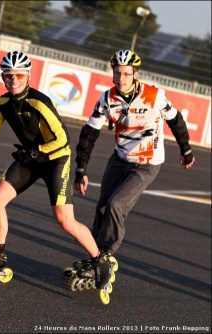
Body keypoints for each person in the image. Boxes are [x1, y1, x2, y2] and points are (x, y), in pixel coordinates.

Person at [0, 50, 111, 288]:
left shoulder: (39, 101)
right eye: (8, 75)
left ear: (28, 76)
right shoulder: (3, 103)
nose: (13, 80)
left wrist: (35, 152)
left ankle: (100, 260)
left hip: (56, 160)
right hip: (31, 158)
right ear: (3, 77)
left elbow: (63, 140)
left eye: (19, 75)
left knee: (64, 219)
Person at [73, 49, 195, 269]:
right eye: (118, 73)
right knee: (102, 208)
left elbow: (176, 120)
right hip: (120, 158)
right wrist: (81, 169)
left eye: (127, 74)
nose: (121, 79)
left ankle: (105, 256)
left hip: (147, 163)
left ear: (136, 74)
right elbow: (89, 133)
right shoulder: (107, 98)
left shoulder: (154, 96)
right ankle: (95, 255)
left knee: (116, 205)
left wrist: (185, 150)